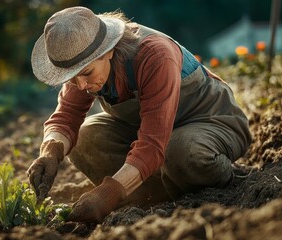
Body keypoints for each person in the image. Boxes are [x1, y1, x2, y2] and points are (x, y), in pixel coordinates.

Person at [27, 6, 252, 223]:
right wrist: (50, 152)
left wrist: (108, 194)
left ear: (108, 51)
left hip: (211, 121)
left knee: (182, 150)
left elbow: (152, 145)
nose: (81, 84)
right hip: (150, 130)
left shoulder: (155, 55)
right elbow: (66, 117)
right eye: (72, 78)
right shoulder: (81, 68)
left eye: (86, 73)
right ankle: (155, 195)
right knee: (85, 137)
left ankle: (223, 177)